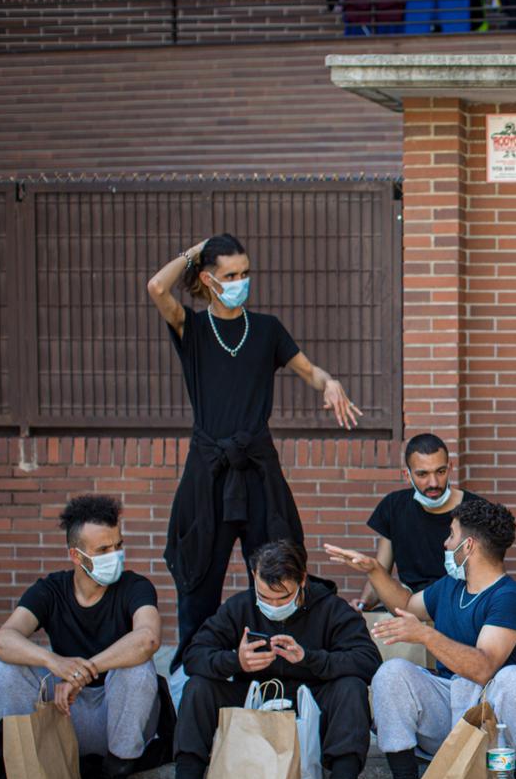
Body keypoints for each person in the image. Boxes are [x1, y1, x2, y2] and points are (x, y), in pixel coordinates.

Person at [144, 234, 363, 675]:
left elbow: (310, 370)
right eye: (231, 275)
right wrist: (194, 250)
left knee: (276, 568)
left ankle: (277, 671)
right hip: (209, 472)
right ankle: (198, 675)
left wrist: (331, 383)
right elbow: (156, 288)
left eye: (246, 273)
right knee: (199, 579)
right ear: (208, 279)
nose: (241, 281)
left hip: (258, 470)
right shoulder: (194, 328)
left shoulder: (266, 329)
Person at [327, 498, 516, 779]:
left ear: (469, 545)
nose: (445, 543)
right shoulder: (451, 586)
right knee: (392, 672)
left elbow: (483, 668)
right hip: (449, 712)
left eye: (451, 536)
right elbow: (406, 603)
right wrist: (374, 571)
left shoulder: (509, 597)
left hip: (495, 724)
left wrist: (425, 635)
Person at [148, 540, 380, 779]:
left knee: (351, 688)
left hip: (312, 700)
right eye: (263, 596)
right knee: (199, 687)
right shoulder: (240, 607)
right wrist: (236, 661)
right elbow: (194, 656)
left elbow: (368, 661)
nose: (271, 604)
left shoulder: (330, 608)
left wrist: (310, 658)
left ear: (302, 581)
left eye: (281, 597)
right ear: (253, 578)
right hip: (253, 699)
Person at [0, 495, 162, 779]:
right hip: (65, 711)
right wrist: (54, 663)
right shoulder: (51, 590)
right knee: (6, 670)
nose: (114, 556)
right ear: (76, 555)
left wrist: (85, 671)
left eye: (118, 545)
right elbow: (2, 640)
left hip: (118, 713)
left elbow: (148, 639)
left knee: (139, 670)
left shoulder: (135, 587)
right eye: (102, 550)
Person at [355, 432, 481, 611]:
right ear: (407, 475)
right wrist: (362, 605)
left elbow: (485, 579)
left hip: (459, 608)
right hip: (408, 605)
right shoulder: (394, 506)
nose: (433, 483)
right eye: (422, 474)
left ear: (450, 467)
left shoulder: (475, 509)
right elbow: (380, 572)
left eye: (440, 471)